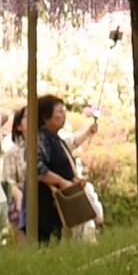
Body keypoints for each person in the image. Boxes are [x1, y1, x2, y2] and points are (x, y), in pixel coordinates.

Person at [26, 95, 86, 243]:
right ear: (46, 117)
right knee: (47, 241)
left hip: (60, 202)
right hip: (45, 201)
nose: (63, 115)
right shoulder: (41, 138)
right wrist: (62, 182)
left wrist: (73, 180)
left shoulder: (56, 138)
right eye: (59, 111)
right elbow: (37, 168)